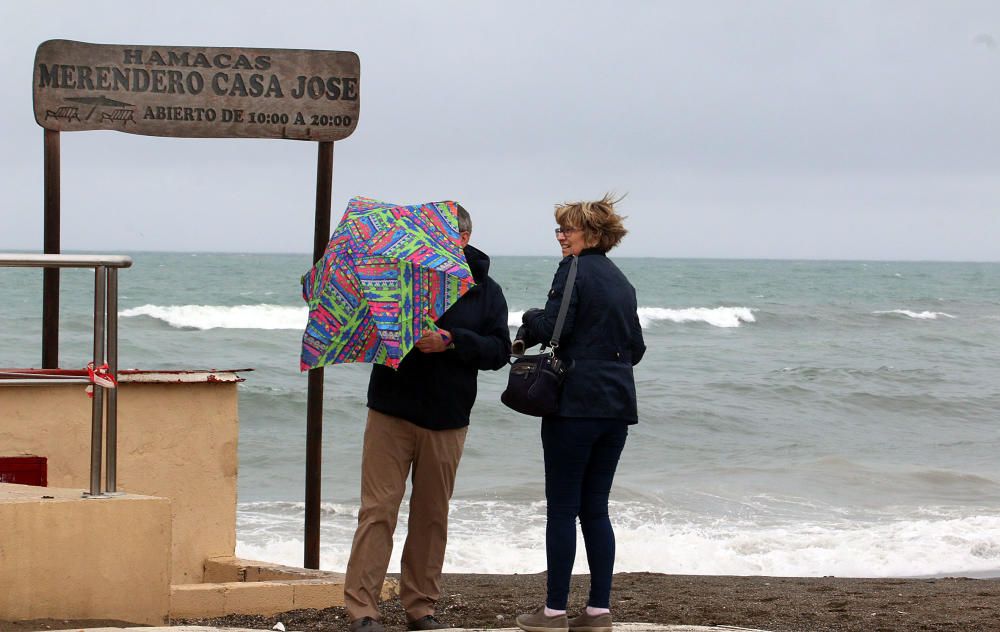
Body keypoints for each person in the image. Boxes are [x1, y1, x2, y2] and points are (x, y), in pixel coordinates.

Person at [344, 203, 512, 632]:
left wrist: (453, 340)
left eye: (445, 236)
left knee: (431, 514)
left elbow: (498, 351)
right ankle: (362, 610)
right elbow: (364, 326)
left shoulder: (486, 291)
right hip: (391, 408)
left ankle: (420, 606)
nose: (436, 243)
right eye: (430, 235)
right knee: (378, 510)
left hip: (448, 416)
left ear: (463, 239)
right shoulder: (400, 273)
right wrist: (396, 326)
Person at [514, 194, 645, 632]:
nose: (561, 237)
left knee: (562, 507)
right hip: (617, 405)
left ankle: (553, 612)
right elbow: (637, 349)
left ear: (589, 233)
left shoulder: (572, 269)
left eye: (565, 230)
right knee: (596, 508)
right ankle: (597, 611)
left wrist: (530, 319)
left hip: (574, 407)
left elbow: (554, 326)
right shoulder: (622, 282)